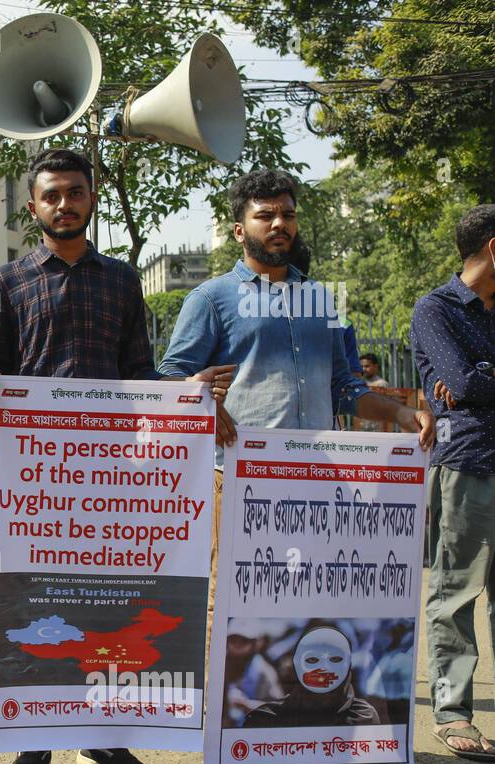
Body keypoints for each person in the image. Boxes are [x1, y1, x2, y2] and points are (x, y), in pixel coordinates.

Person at [0, 148, 233, 764]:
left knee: (111, 603)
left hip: (110, 477)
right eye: (51, 194)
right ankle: (34, 746)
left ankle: (106, 742)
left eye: (75, 192)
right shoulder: (5, 283)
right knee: (37, 605)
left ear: (91, 200)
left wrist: (187, 392)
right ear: (32, 207)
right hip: (35, 481)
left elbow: (139, 375)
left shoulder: (120, 281)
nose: (65, 203)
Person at [158, 169, 433, 674]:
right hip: (237, 475)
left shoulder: (324, 300)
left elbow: (346, 388)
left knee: (310, 587)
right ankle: (226, 710)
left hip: (318, 476)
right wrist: (204, 401)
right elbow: (172, 378)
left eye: (286, 214)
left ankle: (292, 711)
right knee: (236, 587)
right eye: (264, 216)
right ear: (240, 229)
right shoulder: (211, 299)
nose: (278, 223)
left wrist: (399, 412)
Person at [410, 203, 495, 760]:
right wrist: (471, 381)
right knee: (456, 590)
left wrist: (478, 378)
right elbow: (460, 385)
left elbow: (469, 383)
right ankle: (454, 712)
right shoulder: (436, 309)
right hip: (470, 461)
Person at [242, 626, 377, 728]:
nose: (324, 668)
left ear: (348, 665)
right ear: (296, 664)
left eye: (335, 659)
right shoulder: (265, 719)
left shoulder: (364, 717)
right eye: (312, 660)